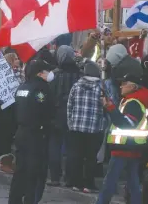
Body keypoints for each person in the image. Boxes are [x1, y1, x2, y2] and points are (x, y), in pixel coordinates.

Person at [96, 74, 148, 204]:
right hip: (132, 147)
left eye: (124, 84)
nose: (121, 86)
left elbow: (126, 124)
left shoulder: (133, 103)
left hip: (124, 148)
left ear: (132, 86)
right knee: (133, 184)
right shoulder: (133, 101)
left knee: (110, 182)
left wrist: (111, 108)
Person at [8, 59, 55, 204]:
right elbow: (46, 111)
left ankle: (14, 200)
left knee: (20, 170)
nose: (49, 74)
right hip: (36, 135)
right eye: (47, 71)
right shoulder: (41, 88)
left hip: (21, 132)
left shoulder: (22, 87)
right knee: (35, 172)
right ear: (40, 73)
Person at [67, 61, 105, 193]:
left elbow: (69, 106)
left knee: (77, 155)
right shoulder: (101, 87)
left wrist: (71, 123)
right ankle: (88, 184)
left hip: (77, 127)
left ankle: (76, 182)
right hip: (94, 128)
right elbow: (106, 106)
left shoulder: (76, 86)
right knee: (91, 157)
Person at [47, 45, 82, 187]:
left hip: (56, 115)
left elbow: (49, 96)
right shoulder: (79, 74)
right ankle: (69, 178)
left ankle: (55, 177)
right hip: (74, 115)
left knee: (54, 146)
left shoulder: (54, 75)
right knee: (72, 148)